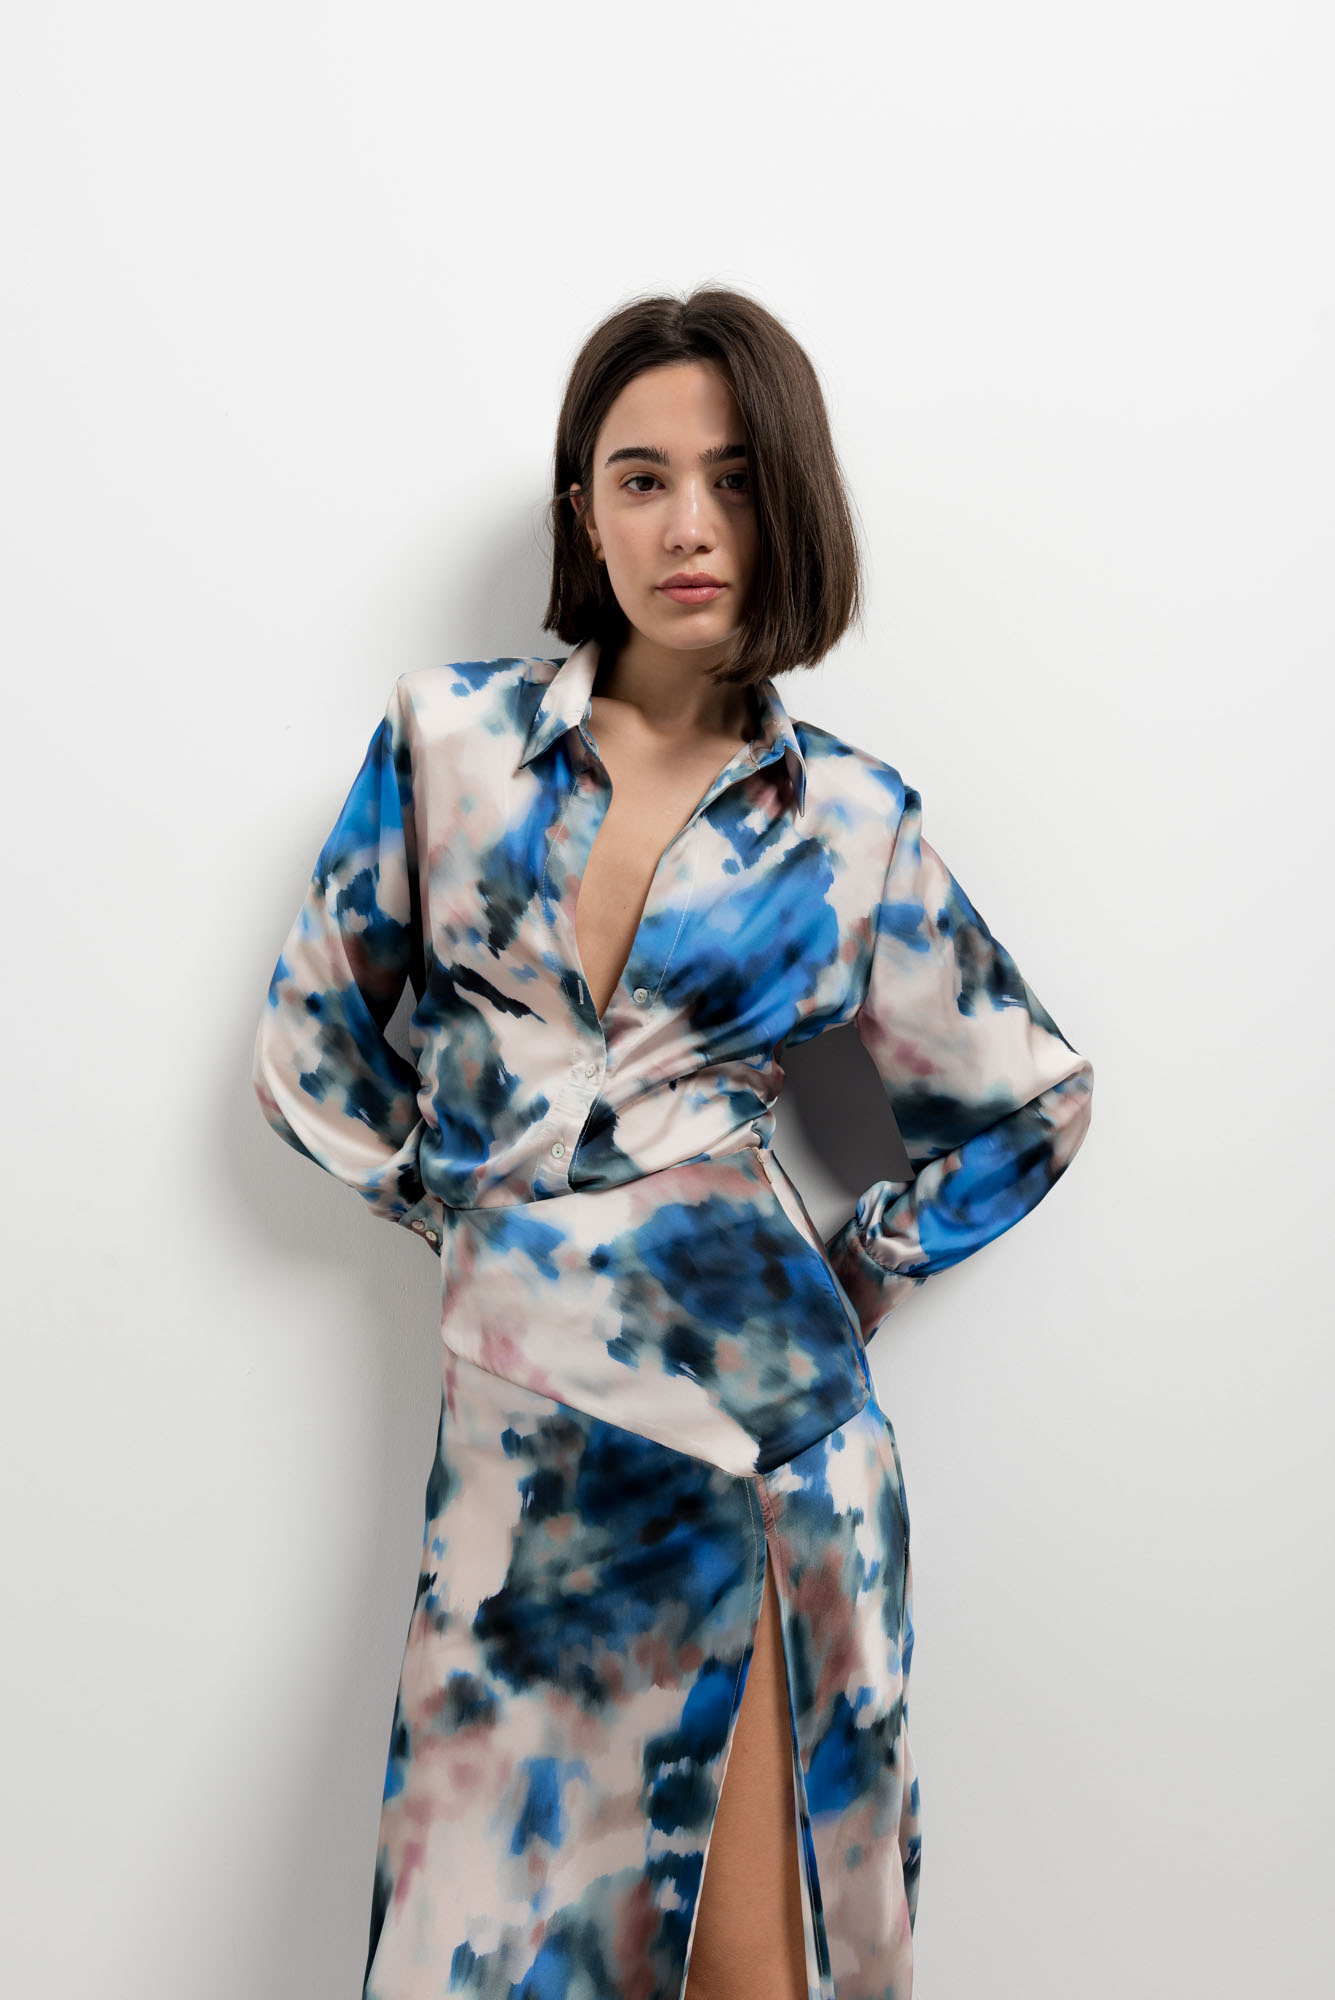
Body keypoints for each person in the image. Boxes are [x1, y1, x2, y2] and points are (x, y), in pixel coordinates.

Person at [250, 286, 1095, 2000]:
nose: (688, 525)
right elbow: (307, 1049)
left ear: (789, 508)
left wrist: (855, 1275)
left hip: (764, 1446)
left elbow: (1034, 1097)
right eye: (641, 479)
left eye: (733, 480)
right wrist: (480, 1220)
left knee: (746, 1969)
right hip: (522, 1466)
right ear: (585, 514)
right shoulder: (450, 744)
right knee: (487, 1950)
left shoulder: (850, 819)